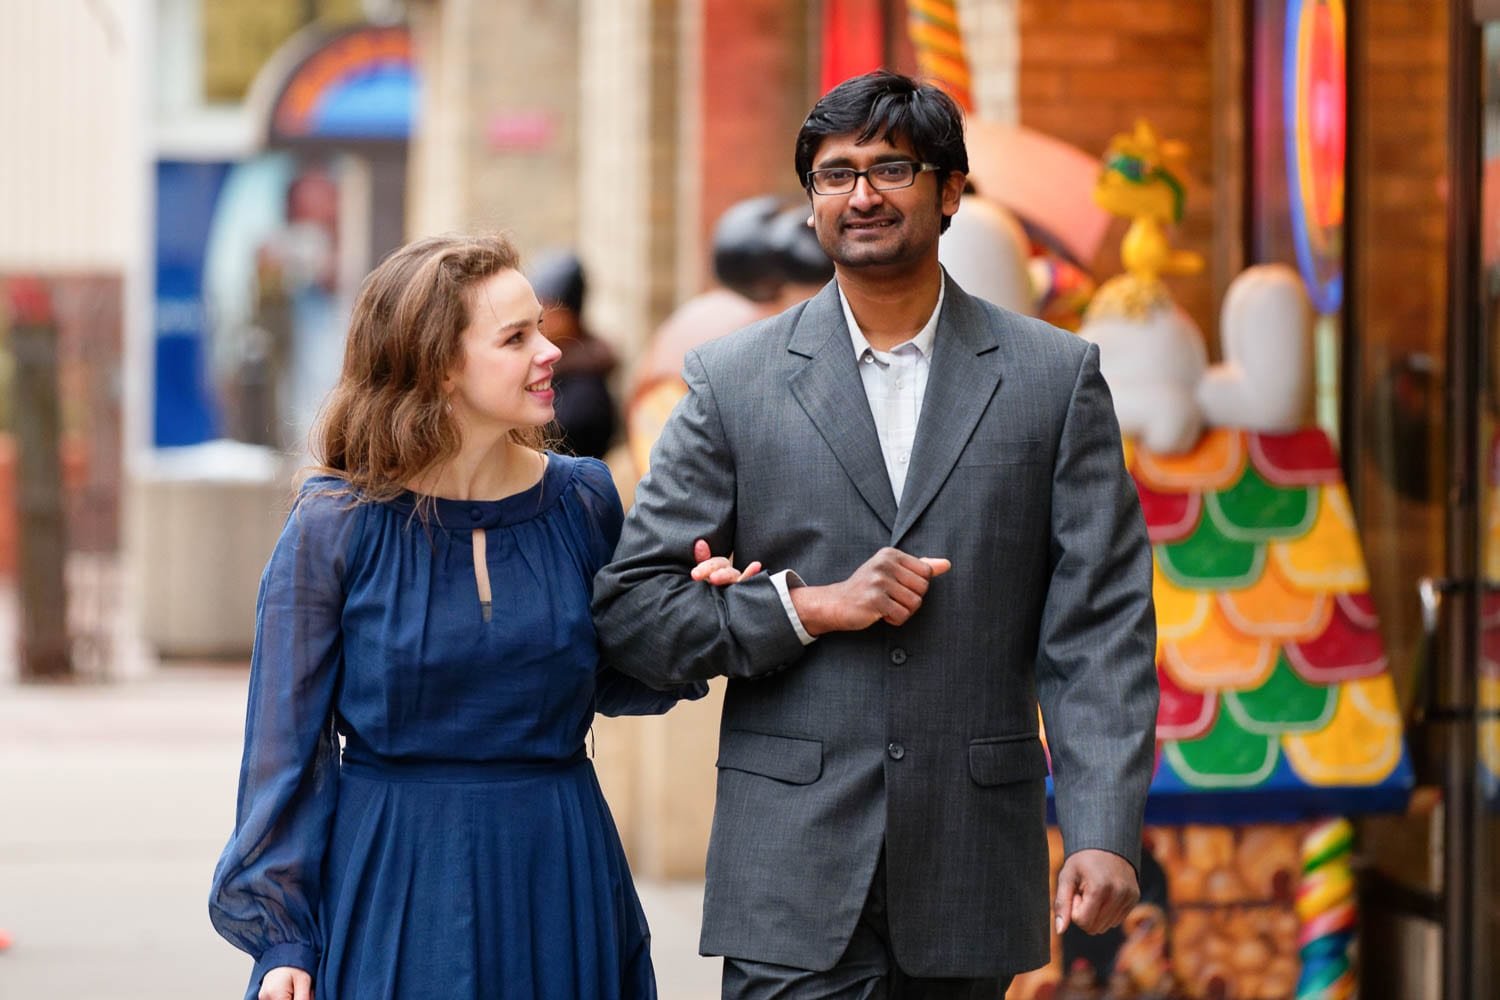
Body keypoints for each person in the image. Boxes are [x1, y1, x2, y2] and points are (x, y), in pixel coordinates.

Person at [592, 70, 1159, 998]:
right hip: (791, 873)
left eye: (891, 168)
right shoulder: (733, 382)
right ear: (812, 202)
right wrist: (803, 608)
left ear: (949, 191)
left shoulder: (1054, 379)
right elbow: (633, 616)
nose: (860, 194)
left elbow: (1099, 626)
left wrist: (1101, 825)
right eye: (834, 173)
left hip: (972, 867)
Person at [208, 233, 720, 1000]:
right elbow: (286, 749)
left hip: (559, 868)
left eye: (540, 327)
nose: (550, 351)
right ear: (438, 366)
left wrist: (689, 609)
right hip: (394, 879)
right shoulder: (336, 524)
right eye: (516, 338)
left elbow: (618, 672)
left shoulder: (583, 501)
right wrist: (283, 937)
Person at [528, 251, 620, 459]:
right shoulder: (556, 367)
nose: (538, 318)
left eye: (546, 308)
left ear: (567, 315)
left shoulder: (586, 391)